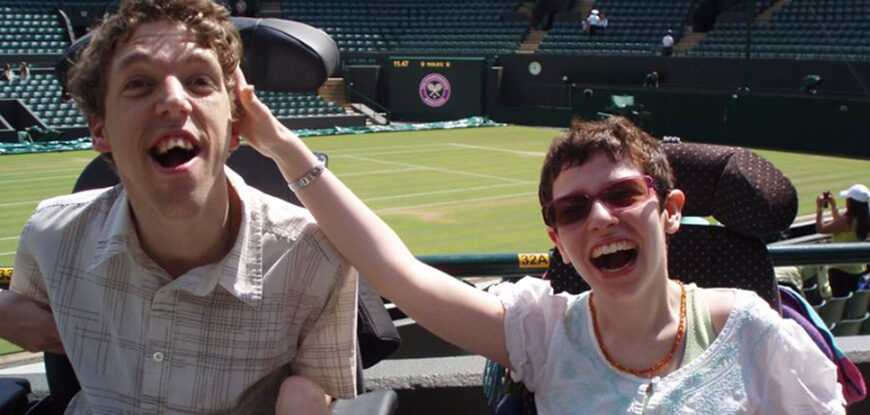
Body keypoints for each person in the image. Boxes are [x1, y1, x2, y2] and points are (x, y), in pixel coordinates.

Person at [231, 69, 846, 414]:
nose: (600, 218)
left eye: (624, 195)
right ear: (557, 237)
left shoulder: (753, 331)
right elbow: (397, 273)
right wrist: (285, 149)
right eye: (574, 209)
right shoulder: (543, 333)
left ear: (671, 212)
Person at [0, 0, 358, 413]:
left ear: (235, 125)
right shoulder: (51, 236)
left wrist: (308, 394)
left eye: (199, 81)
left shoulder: (314, 257)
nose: (174, 101)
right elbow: (30, 317)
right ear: (100, 130)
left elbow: (322, 384)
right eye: (139, 84)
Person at [816, 184, 870, 297]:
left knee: (841, 303)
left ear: (851, 202)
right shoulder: (864, 219)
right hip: (858, 269)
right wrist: (833, 206)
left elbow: (821, 228)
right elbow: (839, 226)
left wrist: (819, 208)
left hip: (840, 270)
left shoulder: (846, 221)